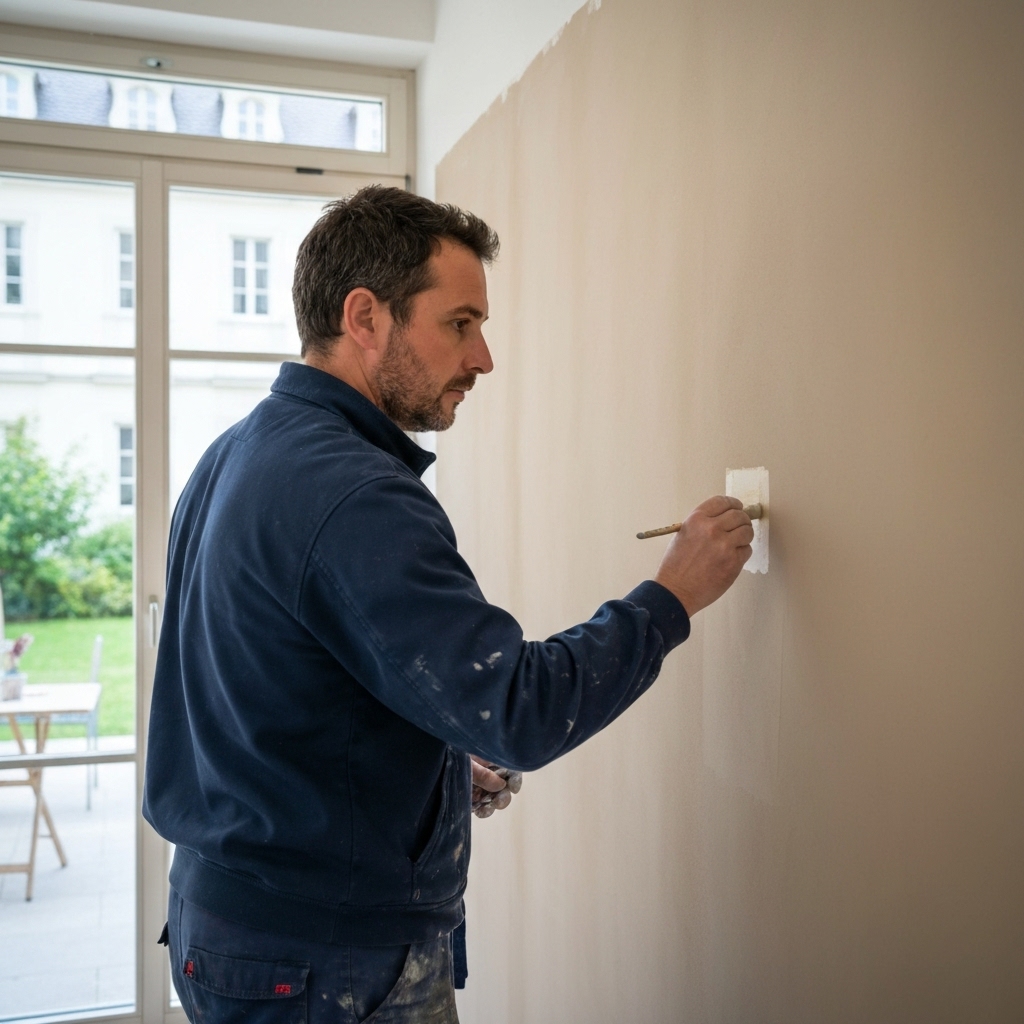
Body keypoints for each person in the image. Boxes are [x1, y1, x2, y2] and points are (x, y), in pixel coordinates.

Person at [143, 185, 754, 1023]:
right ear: (365, 317)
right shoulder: (355, 492)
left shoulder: (237, 453)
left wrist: (421, 768)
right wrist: (673, 595)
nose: (483, 358)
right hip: (323, 960)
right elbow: (518, 711)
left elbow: (268, 687)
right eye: (460, 323)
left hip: (232, 923)